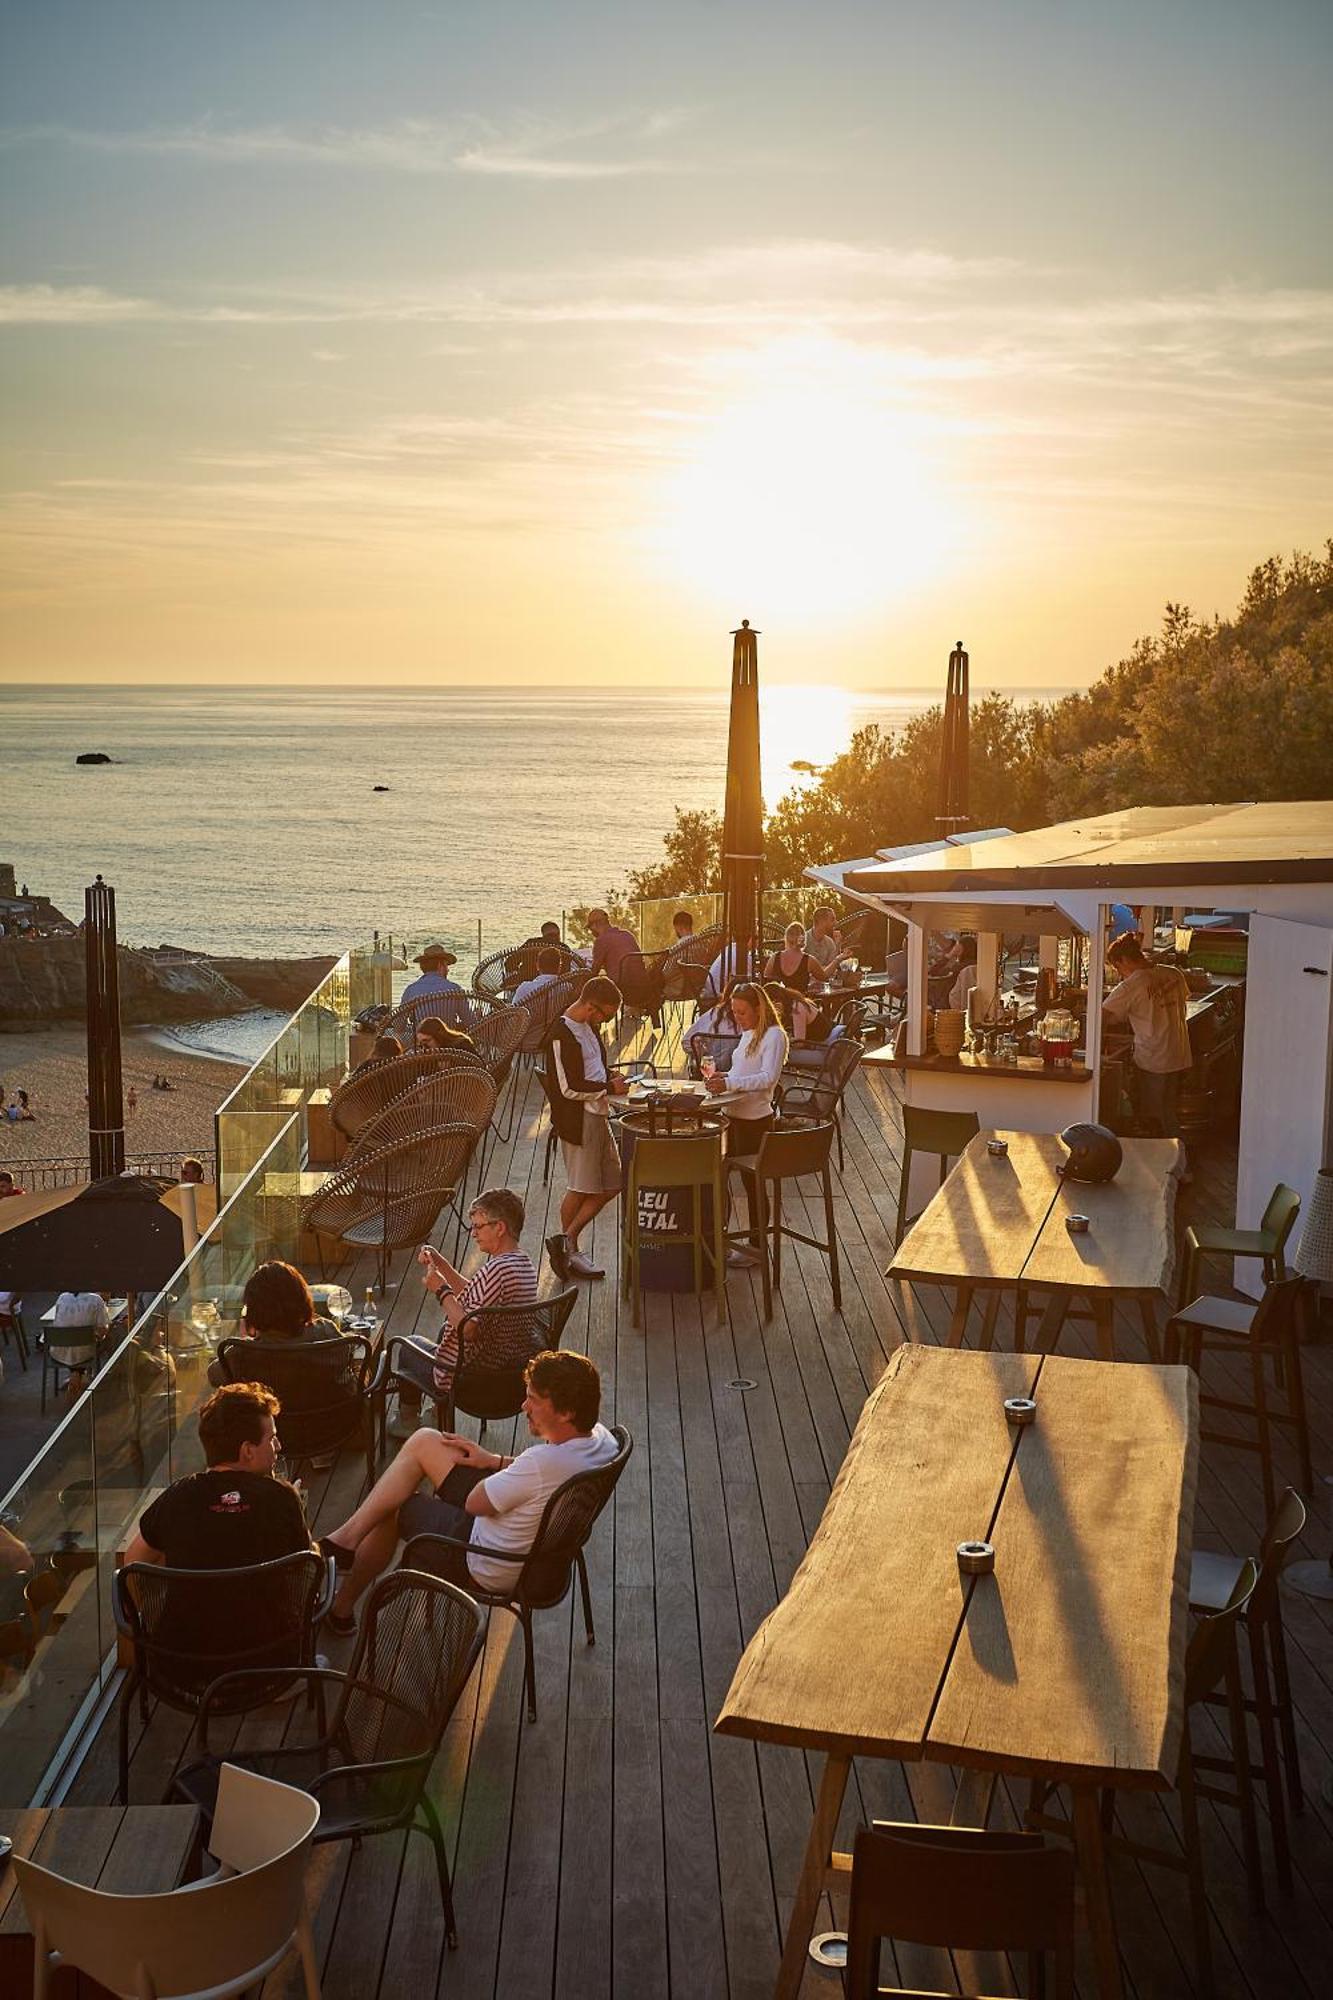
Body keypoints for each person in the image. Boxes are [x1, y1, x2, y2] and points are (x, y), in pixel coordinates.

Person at [319, 1349, 618, 1635]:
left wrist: (479, 1476)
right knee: (426, 1441)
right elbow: (536, 1476)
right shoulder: (603, 1441)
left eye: (534, 1400)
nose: (523, 1407)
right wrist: (494, 1461)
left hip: (485, 1559)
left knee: (395, 1505)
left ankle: (342, 1606)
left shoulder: (541, 1464)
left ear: (566, 1412)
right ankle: (346, 1541)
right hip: (534, 1549)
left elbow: (475, 1503)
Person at [122, 1384, 315, 1657]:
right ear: (247, 1451)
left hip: (183, 1660)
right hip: (269, 1663)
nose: (278, 1446)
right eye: (271, 1438)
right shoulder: (281, 1497)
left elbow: (132, 1563)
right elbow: (307, 1564)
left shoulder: (177, 1496)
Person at [385, 1187, 539, 1439]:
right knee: (441, 1330)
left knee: (408, 1347)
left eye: (479, 1227)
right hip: (506, 1366)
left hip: (476, 1378)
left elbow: (468, 1330)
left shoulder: (496, 1270)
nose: (474, 1233)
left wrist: (440, 1290)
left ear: (499, 1228)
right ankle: (435, 1414)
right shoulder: (520, 1263)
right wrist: (442, 1264)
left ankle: (407, 1421)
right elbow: (475, 1295)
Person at [542, 974, 627, 1280]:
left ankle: (566, 1241)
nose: (606, 1021)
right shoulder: (560, 1034)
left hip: (598, 1114)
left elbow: (592, 1068)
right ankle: (571, 1249)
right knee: (580, 1188)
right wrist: (608, 1086)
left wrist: (608, 1076)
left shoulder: (589, 1027)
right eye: (606, 1015)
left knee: (614, 1183)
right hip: (579, 1120)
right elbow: (567, 1088)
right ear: (592, 1007)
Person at [1102, 932, 1192, 1157]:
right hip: (1178, 1052)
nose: (1119, 975)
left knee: (1154, 1118)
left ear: (1122, 961)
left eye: (1117, 969)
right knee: (1169, 1111)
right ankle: (1180, 1162)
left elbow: (1101, 1016)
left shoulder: (1131, 985)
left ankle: (1166, 1166)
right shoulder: (1173, 974)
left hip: (1153, 1057)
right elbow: (1177, 1004)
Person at [206, 1260, 345, 1388]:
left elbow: (213, 1376)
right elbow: (347, 1355)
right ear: (302, 1297)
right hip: (326, 1414)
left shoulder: (243, 1353)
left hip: (271, 1414)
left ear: (253, 1310)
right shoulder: (327, 1332)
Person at [702, 981, 787, 1157]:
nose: (737, 1017)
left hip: (753, 1121)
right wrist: (725, 1076)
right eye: (734, 1012)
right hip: (730, 1115)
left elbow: (768, 1078)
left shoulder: (774, 1035)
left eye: (742, 1012)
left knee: (751, 1180)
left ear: (758, 1009)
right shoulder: (749, 1032)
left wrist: (729, 1083)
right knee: (718, 1171)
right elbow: (743, 1071)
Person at [399, 943, 471, 1029]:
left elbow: (399, 1026)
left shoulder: (411, 990)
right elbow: (470, 1022)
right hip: (449, 1041)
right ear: (440, 965)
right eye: (446, 965)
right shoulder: (455, 990)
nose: (448, 970)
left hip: (422, 1041)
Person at [48, 1290, 111, 1386]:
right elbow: (102, 1331)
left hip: (59, 1352)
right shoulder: (96, 1300)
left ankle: (76, 1374)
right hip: (85, 1352)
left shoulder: (62, 1297)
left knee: (76, 1342)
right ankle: (83, 1375)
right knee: (106, 1339)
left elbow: (57, 1323)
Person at [587, 909, 640, 985]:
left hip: (621, 988)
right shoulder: (627, 934)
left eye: (590, 927)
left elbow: (594, 972)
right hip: (641, 983)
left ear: (595, 924)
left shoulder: (601, 940)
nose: (591, 931)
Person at [804, 907, 856, 983]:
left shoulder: (830, 942)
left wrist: (838, 945)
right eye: (832, 919)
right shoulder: (803, 941)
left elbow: (832, 970)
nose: (836, 923)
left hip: (824, 987)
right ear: (821, 921)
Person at [512, 945, 565, 1012]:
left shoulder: (525, 988)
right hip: (555, 1021)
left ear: (537, 966)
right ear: (559, 967)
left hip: (529, 1022)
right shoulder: (566, 987)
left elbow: (513, 1012)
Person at [947, 936, 979, 1012]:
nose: (955, 948)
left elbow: (934, 972)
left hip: (953, 1006)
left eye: (956, 946)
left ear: (962, 948)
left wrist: (950, 955)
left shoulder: (961, 966)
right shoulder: (976, 964)